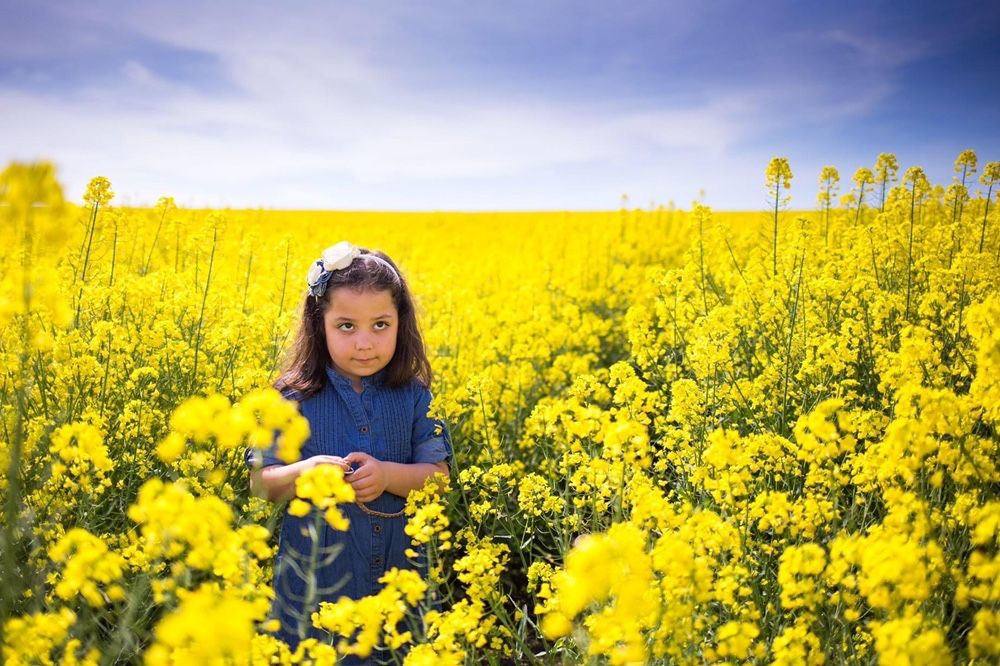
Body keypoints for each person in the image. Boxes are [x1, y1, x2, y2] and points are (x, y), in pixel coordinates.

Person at [245, 240, 451, 654]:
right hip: (313, 590)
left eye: (380, 325)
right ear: (319, 323)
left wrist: (389, 476)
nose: (364, 343)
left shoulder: (414, 396)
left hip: (398, 577)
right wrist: (307, 472)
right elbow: (261, 484)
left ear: (400, 323)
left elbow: (439, 479)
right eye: (346, 326)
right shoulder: (290, 399)